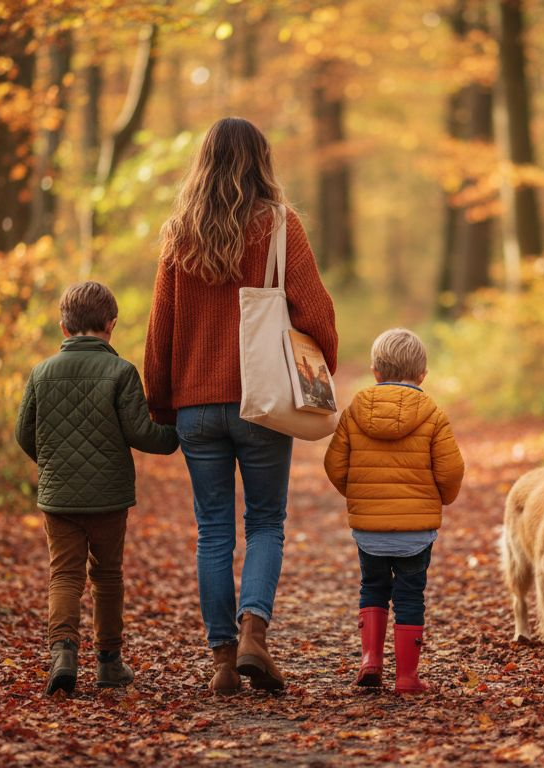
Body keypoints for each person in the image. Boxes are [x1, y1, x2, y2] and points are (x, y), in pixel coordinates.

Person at [145, 117, 337, 694]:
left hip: (196, 408)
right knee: (266, 522)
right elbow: (317, 314)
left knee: (212, 532)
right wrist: (318, 366)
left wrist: (163, 404)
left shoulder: (180, 233)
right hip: (264, 401)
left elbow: (162, 332)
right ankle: (254, 631)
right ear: (260, 160)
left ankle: (223, 661)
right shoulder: (280, 226)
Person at [16, 281, 179, 696]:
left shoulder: (41, 372)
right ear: (111, 324)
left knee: (64, 575)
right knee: (107, 576)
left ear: (63, 327)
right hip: (108, 496)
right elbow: (141, 433)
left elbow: (24, 434)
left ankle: (63, 655)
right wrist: (177, 435)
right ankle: (109, 663)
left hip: (59, 496)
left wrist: (53, 463)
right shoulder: (121, 371)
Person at [323, 328, 465, 693]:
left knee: (372, 586)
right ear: (422, 375)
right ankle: (407, 677)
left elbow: (335, 465)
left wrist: (360, 496)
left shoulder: (356, 409)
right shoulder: (432, 413)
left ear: (375, 372)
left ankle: (371, 660)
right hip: (416, 533)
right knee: (409, 595)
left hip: (369, 530)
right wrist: (441, 499)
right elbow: (450, 471)